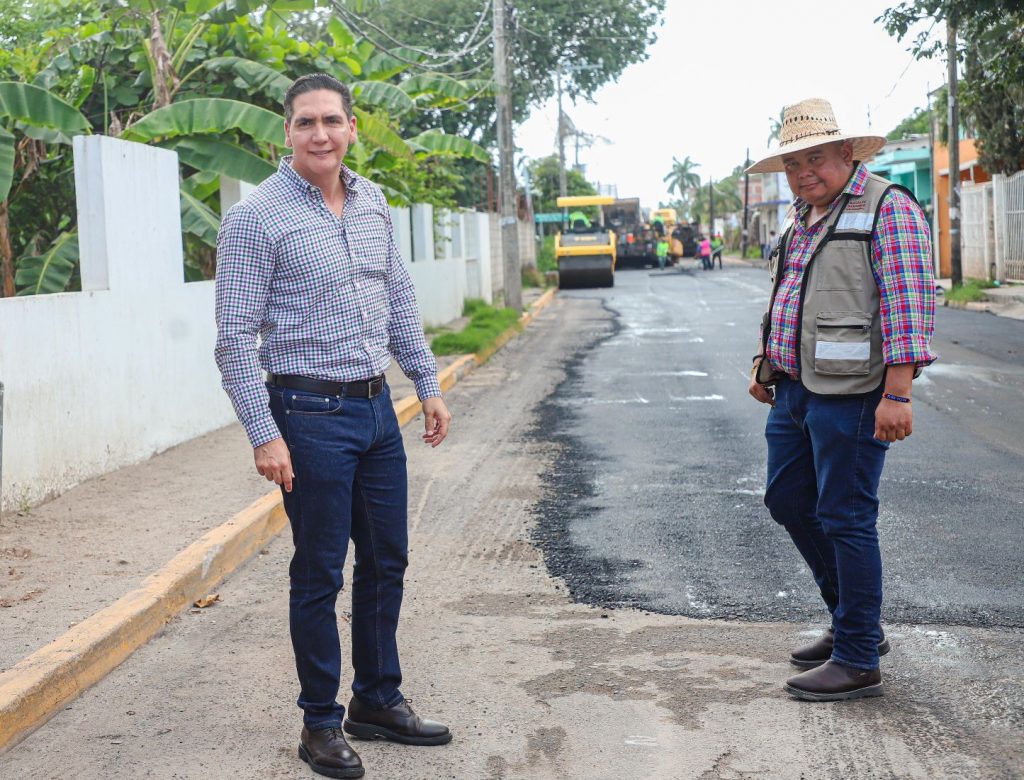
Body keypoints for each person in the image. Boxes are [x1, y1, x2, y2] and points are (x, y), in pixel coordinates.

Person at [214, 73, 453, 779]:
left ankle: (377, 699)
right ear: (285, 133)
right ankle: (321, 724)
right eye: (306, 122)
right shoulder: (255, 218)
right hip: (308, 413)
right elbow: (233, 339)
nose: (320, 134)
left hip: (378, 408)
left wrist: (428, 385)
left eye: (332, 121)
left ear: (352, 128)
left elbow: (400, 299)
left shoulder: (374, 201)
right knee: (319, 573)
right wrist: (264, 432)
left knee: (387, 560)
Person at [746, 98, 936, 702]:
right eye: (794, 163)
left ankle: (857, 658)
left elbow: (908, 303)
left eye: (817, 159)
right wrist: (766, 364)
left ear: (848, 153)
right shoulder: (802, 217)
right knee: (787, 500)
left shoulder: (888, 208)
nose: (805, 172)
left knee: (847, 516)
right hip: (795, 389)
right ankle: (855, 622)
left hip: (855, 395)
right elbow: (789, 298)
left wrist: (898, 393)